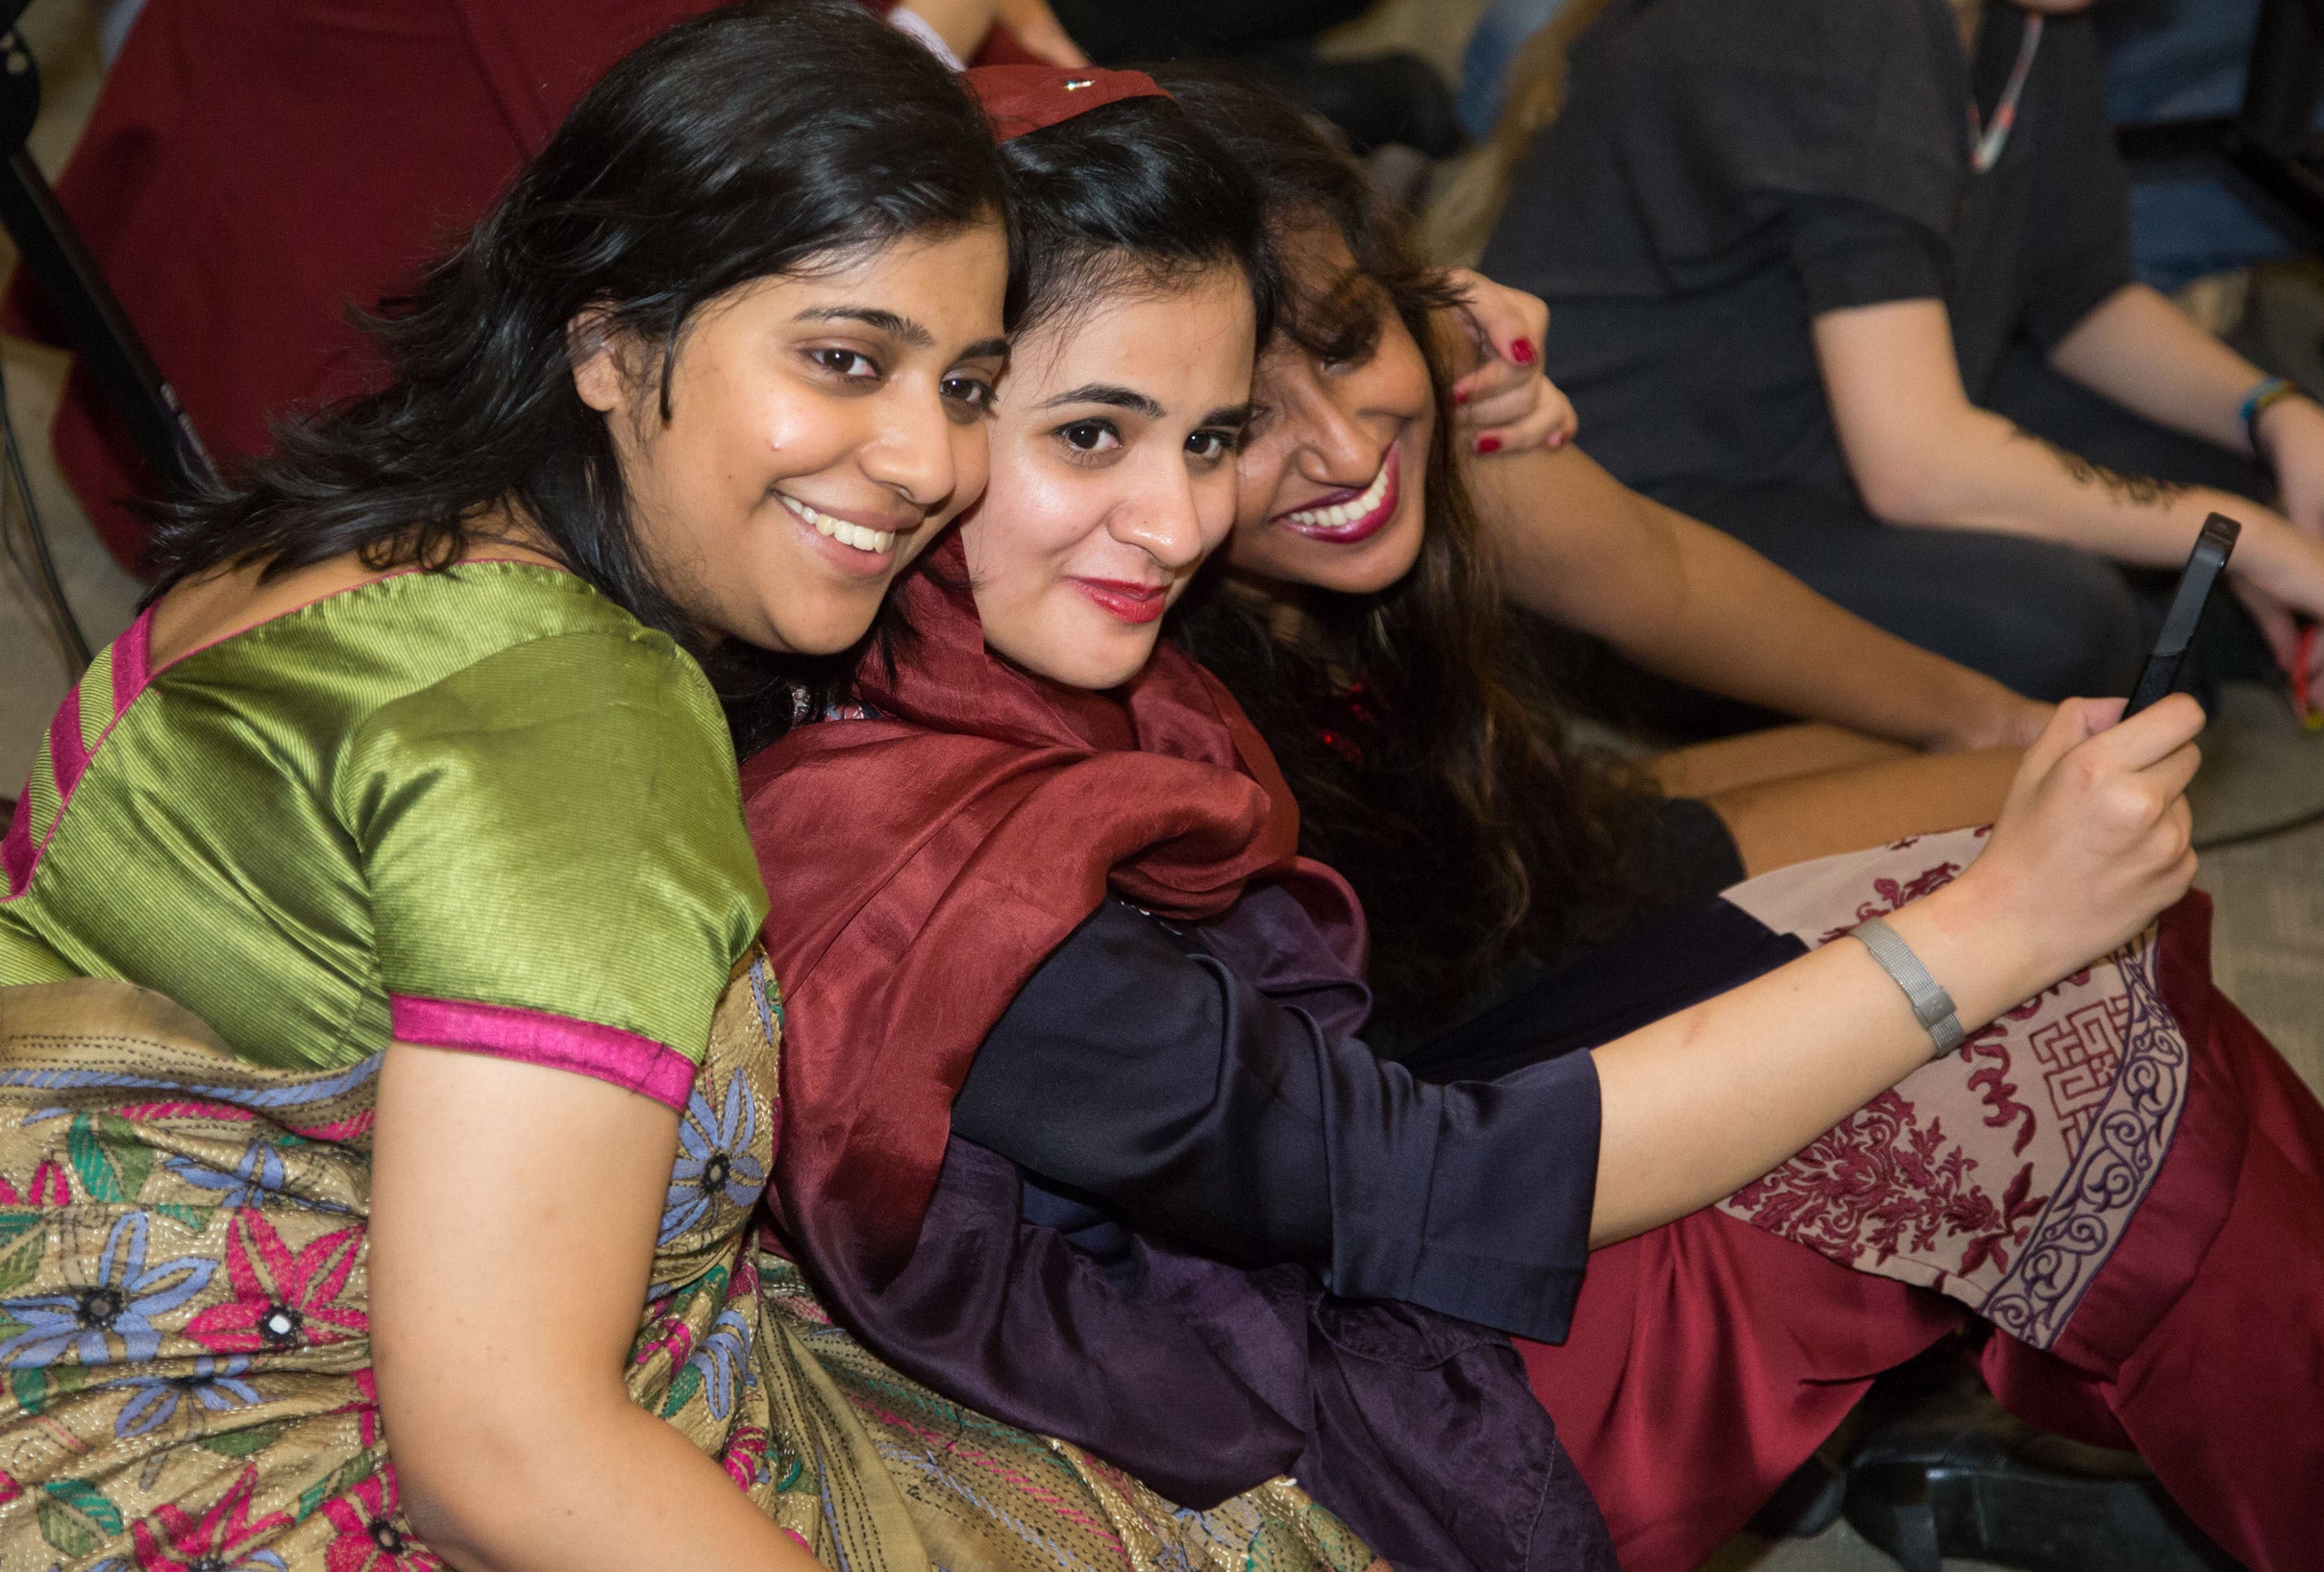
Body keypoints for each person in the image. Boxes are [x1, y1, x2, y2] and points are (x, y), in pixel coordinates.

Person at [745, 65, 2324, 1572]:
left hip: (1350, 1196)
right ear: (927, 418)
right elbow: (1424, 1170)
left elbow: (1640, 583)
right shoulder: (956, 863)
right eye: (1090, 432)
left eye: (1203, 435)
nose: (1176, 516)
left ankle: (2133, 1358)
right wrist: (1986, 932)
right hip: (1322, 1440)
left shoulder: (976, 653)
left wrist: (1450, 363)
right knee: (2048, 1008)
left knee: (2053, 954)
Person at [0, 7, 1034, 1565]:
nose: (922, 464)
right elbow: (504, 1454)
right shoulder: (585, 729)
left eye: (967, 386)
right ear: (608, 346)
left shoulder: (353, 525)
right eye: (843, 360)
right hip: (256, 1459)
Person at [3, 0, 1060, 575]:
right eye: (844, 359)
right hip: (338, 235)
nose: (927, 466)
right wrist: (942, 26)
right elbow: (714, 139)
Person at [1475, 0, 2324, 703]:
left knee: (2246, 473)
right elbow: (1917, 464)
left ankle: (2202, 646)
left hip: (1825, 409)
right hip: (1646, 497)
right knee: (2065, 626)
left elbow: (2081, 300)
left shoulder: (2034, 20)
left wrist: (2274, 414)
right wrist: (2233, 536)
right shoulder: (1852, 26)